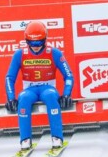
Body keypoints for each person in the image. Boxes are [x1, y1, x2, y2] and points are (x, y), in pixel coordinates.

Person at [5, 21, 74, 150]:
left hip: (48, 88)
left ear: (45, 39)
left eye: (39, 42)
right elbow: (10, 77)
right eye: (31, 43)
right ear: (26, 41)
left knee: (51, 97)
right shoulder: (20, 54)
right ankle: (25, 140)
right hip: (29, 90)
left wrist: (66, 94)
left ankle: (57, 137)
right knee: (23, 99)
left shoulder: (55, 53)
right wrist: (10, 97)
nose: (35, 46)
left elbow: (68, 75)